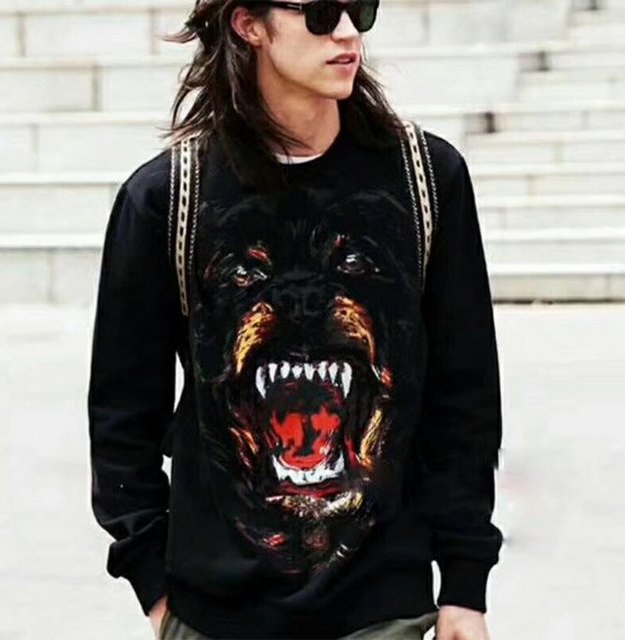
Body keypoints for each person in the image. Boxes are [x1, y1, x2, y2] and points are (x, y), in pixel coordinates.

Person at [87, 1, 504, 639]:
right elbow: (122, 414)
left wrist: (465, 587)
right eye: (319, 12)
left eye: (359, 7)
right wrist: (156, 592)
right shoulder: (168, 198)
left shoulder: (425, 179)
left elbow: (465, 395)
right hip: (214, 615)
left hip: (383, 610)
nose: (347, 31)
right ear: (248, 24)